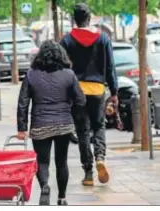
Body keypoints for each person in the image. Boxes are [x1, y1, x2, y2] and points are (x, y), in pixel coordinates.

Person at [16, 40, 86, 205]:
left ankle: (45, 186)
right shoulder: (69, 74)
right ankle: (62, 198)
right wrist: (73, 116)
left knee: (42, 161)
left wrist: (22, 128)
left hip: (40, 124)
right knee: (62, 161)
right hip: (63, 124)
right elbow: (81, 100)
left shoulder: (31, 74)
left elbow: (23, 103)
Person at [60, 3, 118, 186]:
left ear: (74, 19)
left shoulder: (67, 40)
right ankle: (100, 156)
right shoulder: (103, 39)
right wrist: (114, 92)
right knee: (99, 125)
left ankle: (88, 173)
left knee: (83, 131)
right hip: (97, 90)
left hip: (77, 91)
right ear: (89, 17)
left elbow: (62, 67)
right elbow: (110, 67)